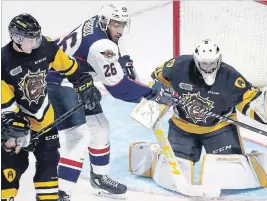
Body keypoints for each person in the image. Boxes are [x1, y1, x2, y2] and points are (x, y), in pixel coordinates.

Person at [129, 39, 267, 193]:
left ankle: (259, 166)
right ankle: (152, 158)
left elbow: (251, 103)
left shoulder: (231, 77)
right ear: (196, 60)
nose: (208, 67)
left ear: (219, 59)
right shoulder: (178, 66)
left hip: (219, 128)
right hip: (182, 127)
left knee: (228, 172)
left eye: (212, 63)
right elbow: (157, 80)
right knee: (177, 170)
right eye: (204, 63)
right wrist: (158, 96)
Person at [45, 3, 173, 200]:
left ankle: (98, 179)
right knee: (78, 137)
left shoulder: (97, 24)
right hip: (58, 82)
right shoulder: (101, 46)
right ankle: (60, 194)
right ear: (105, 22)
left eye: (122, 25)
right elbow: (119, 89)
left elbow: (117, 43)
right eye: (116, 25)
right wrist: (151, 93)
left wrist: (126, 62)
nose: (119, 30)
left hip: (78, 81)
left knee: (100, 128)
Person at [1, 13, 101, 201]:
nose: (35, 43)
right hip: (14, 127)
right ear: (16, 38)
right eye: (30, 40)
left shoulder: (45, 46)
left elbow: (71, 68)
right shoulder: (3, 62)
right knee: (13, 166)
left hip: (45, 120)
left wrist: (85, 84)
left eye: (36, 38)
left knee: (48, 163)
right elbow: (7, 109)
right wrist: (19, 134)